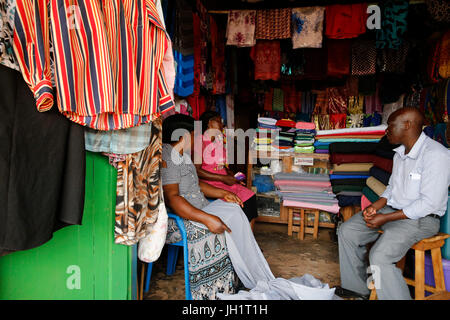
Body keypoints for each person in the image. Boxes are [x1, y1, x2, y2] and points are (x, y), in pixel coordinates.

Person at [337, 107, 450, 300]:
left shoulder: (436, 155)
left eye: (390, 125)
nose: (386, 130)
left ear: (407, 125)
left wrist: (385, 217)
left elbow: (428, 204)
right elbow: (391, 189)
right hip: (393, 212)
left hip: (421, 220)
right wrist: (376, 207)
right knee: (347, 231)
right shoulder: (400, 153)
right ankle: (357, 289)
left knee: (380, 257)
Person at [195, 111, 258, 229]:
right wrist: (224, 178)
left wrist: (233, 177)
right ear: (210, 123)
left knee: (251, 198)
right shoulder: (200, 141)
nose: (222, 125)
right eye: (219, 121)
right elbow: (197, 170)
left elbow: (223, 166)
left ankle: (249, 243)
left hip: (224, 182)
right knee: (239, 205)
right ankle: (239, 241)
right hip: (210, 184)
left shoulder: (218, 141)